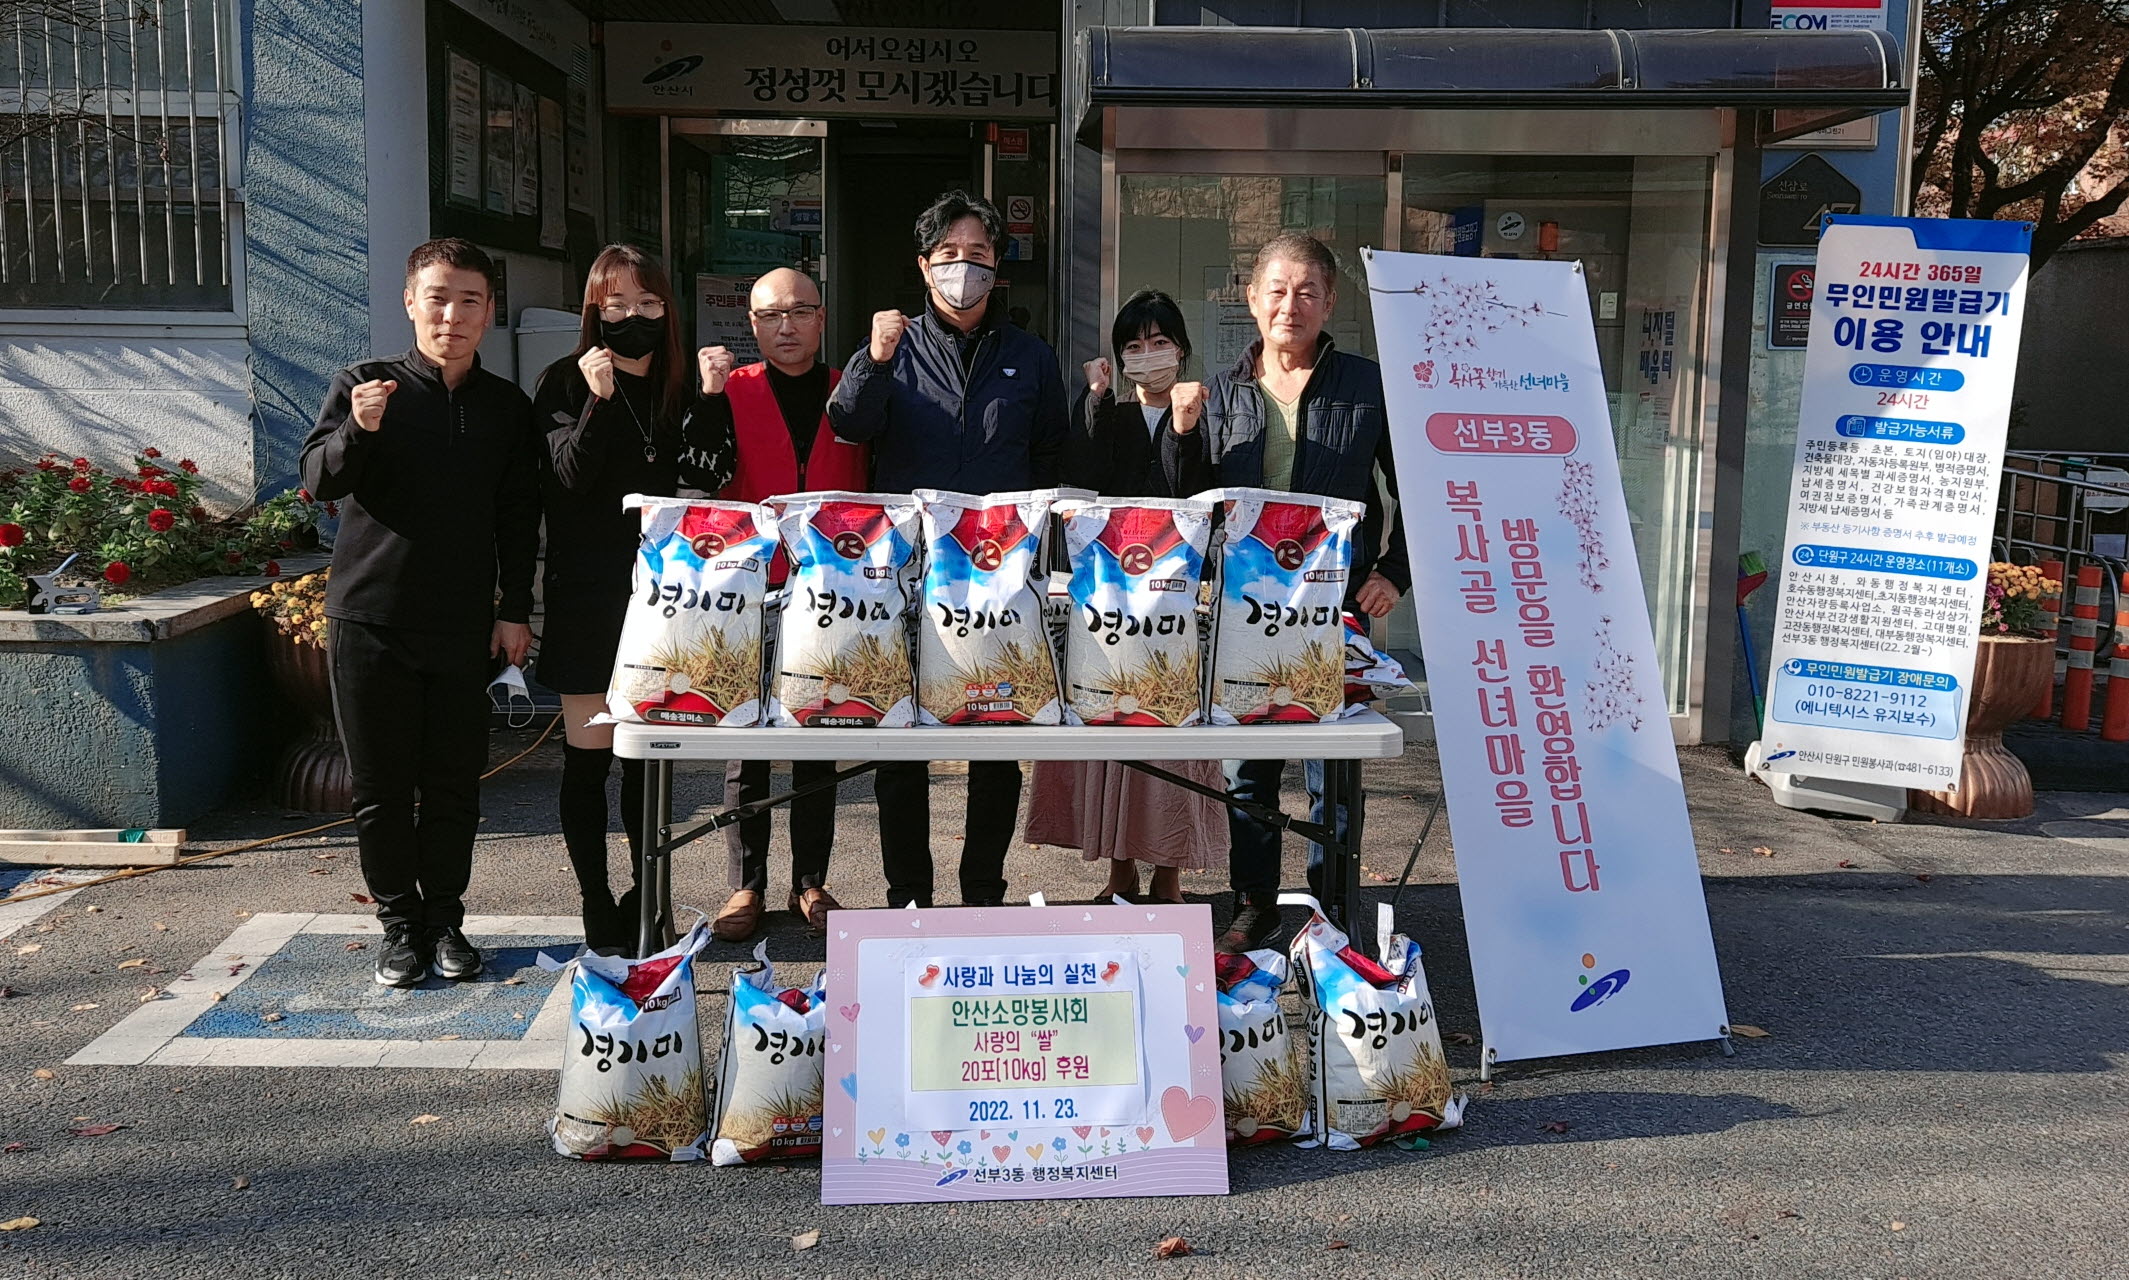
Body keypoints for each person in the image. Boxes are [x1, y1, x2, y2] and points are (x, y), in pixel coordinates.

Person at [301, 238, 541, 987]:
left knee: (452, 782)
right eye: (437, 297)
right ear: (410, 303)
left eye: (469, 299)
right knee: (378, 784)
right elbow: (318, 481)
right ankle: (398, 926)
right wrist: (357, 428)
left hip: (460, 623)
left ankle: (445, 920)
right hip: (369, 618)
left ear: (488, 312)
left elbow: (517, 513)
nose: (451, 314)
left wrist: (514, 609)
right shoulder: (365, 385)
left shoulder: (505, 406)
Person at [827, 189, 1068, 908]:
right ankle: (908, 898)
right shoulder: (891, 346)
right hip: (905, 573)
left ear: (999, 268)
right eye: (949, 256)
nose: (964, 270)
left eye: (979, 257)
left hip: (1001, 580)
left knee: (995, 742)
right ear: (923, 266)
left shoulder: (1029, 356)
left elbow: (1051, 461)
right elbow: (846, 424)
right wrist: (872, 358)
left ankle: (982, 894)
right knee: (901, 745)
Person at [1183, 233, 1412, 952]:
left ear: (1330, 301)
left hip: (1336, 604)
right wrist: (1181, 431)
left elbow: (1416, 489)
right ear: (1250, 300)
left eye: (1307, 291)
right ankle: (1252, 906)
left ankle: (1331, 908)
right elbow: (1188, 503)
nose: (1291, 305)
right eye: (1277, 290)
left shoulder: (1366, 385)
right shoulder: (1219, 393)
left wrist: (1393, 571)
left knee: (1333, 774)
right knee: (1247, 772)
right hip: (1244, 613)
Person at [532, 244, 736, 954]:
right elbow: (566, 481)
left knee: (651, 764)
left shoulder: (681, 385)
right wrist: (596, 401)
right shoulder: (562, 382)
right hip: (586, 598)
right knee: (589, 757)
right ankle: (594, 897)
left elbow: (707, 484)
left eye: (648, 305)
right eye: (615, 306)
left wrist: (711, 402)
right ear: (593, 311)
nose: (633, 318)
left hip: (665, 607)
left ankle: (646, 894)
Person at [1025, 289, 1225, 902]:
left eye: (1160, 343)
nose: (1148, 356)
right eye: (1133, 347)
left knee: (1171, 736)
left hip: (1174, 606)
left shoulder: (1209, 412)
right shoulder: (1105, 413)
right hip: (1104, 602)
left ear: (1182, 350)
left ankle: (1168, 871)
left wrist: (1186, 431)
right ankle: (1117, 869)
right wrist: (1092, 399)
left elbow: (1193, 500)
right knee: (1107, 729)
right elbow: (1081, 481)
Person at [698, 268, 870, 943]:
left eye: (800, 311)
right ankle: (746, 883)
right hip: (748, 587)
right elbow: (703, 471)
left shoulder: (848, 395)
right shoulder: (731, 389)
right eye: (771, 315)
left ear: (822, 319)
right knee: (747, 745)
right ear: (751, 323)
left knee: (818, 739)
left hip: (834, 590)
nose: (786, 326)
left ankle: (810, 880)